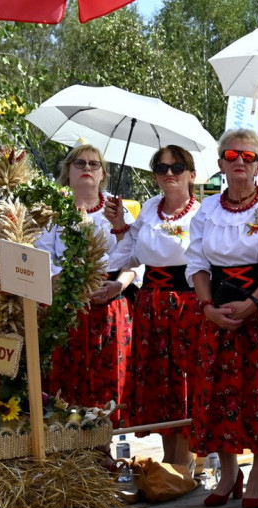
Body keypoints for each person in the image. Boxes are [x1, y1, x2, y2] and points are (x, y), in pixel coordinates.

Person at [186, 129, 258, 508]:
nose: (239, 162)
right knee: (219, 391)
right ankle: (229, 471)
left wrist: (252, 303)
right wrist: (207, 308)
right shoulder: (207, 210)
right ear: (220, 164)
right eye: (232, 155)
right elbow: (197, 263)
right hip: (217, 310)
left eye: (248, 157)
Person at [106, 146, 200, 468]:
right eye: (161, 168)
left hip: (185, 303)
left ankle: (184, 462)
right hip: (150, 304)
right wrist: (119, 224)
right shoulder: (147, 209)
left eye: (177, 167)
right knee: (160, 381)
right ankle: (170, 459)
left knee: (183, 380)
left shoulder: (201, 214)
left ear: (192, 174)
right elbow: (128, 254)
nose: (169, 174)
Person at [37, 144, 136, 423]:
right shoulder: (53, 211)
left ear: (103, 174)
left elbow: (134, 261)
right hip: (65, 307)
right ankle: (68, 452)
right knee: (64, 385)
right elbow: (42, 256)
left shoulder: (118, 212)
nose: (87, 169)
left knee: (106, 385)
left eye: (94, 164)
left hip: (108, 306)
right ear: (67, 171)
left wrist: (117, 286)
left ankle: (104, 451)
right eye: (79, 163)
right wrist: (67, 283)